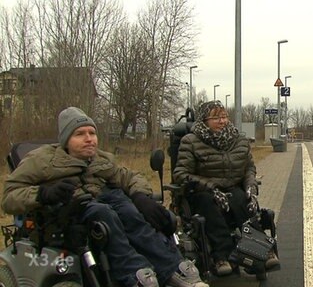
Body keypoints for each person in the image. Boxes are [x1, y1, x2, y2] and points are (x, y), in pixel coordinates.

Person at [1, 107, 208, 287]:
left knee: (131, 211)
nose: (89, 138)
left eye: (92, 132)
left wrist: (140, 195)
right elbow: (10, 196)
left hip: (107, 198)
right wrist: (43, 193)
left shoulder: (101, 158)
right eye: (80, 134)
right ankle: (135, 274)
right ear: (65, 139)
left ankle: (173, 268)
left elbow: (129, 177)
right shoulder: (42, 160)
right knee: (104, 213)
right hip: (74, 206)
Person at [173, 100, 279, 276]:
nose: (222, 121)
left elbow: (248, 169)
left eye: (224, 117)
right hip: (202, 191)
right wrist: (211, 187)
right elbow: (181, 173)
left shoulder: (239, 140)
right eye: (216, 118)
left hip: (232, 188)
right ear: (204, 120)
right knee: (209, 204)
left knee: (241, 200)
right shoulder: (190, 141)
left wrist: (250, 188)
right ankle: (223, 257)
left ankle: (261, 252)